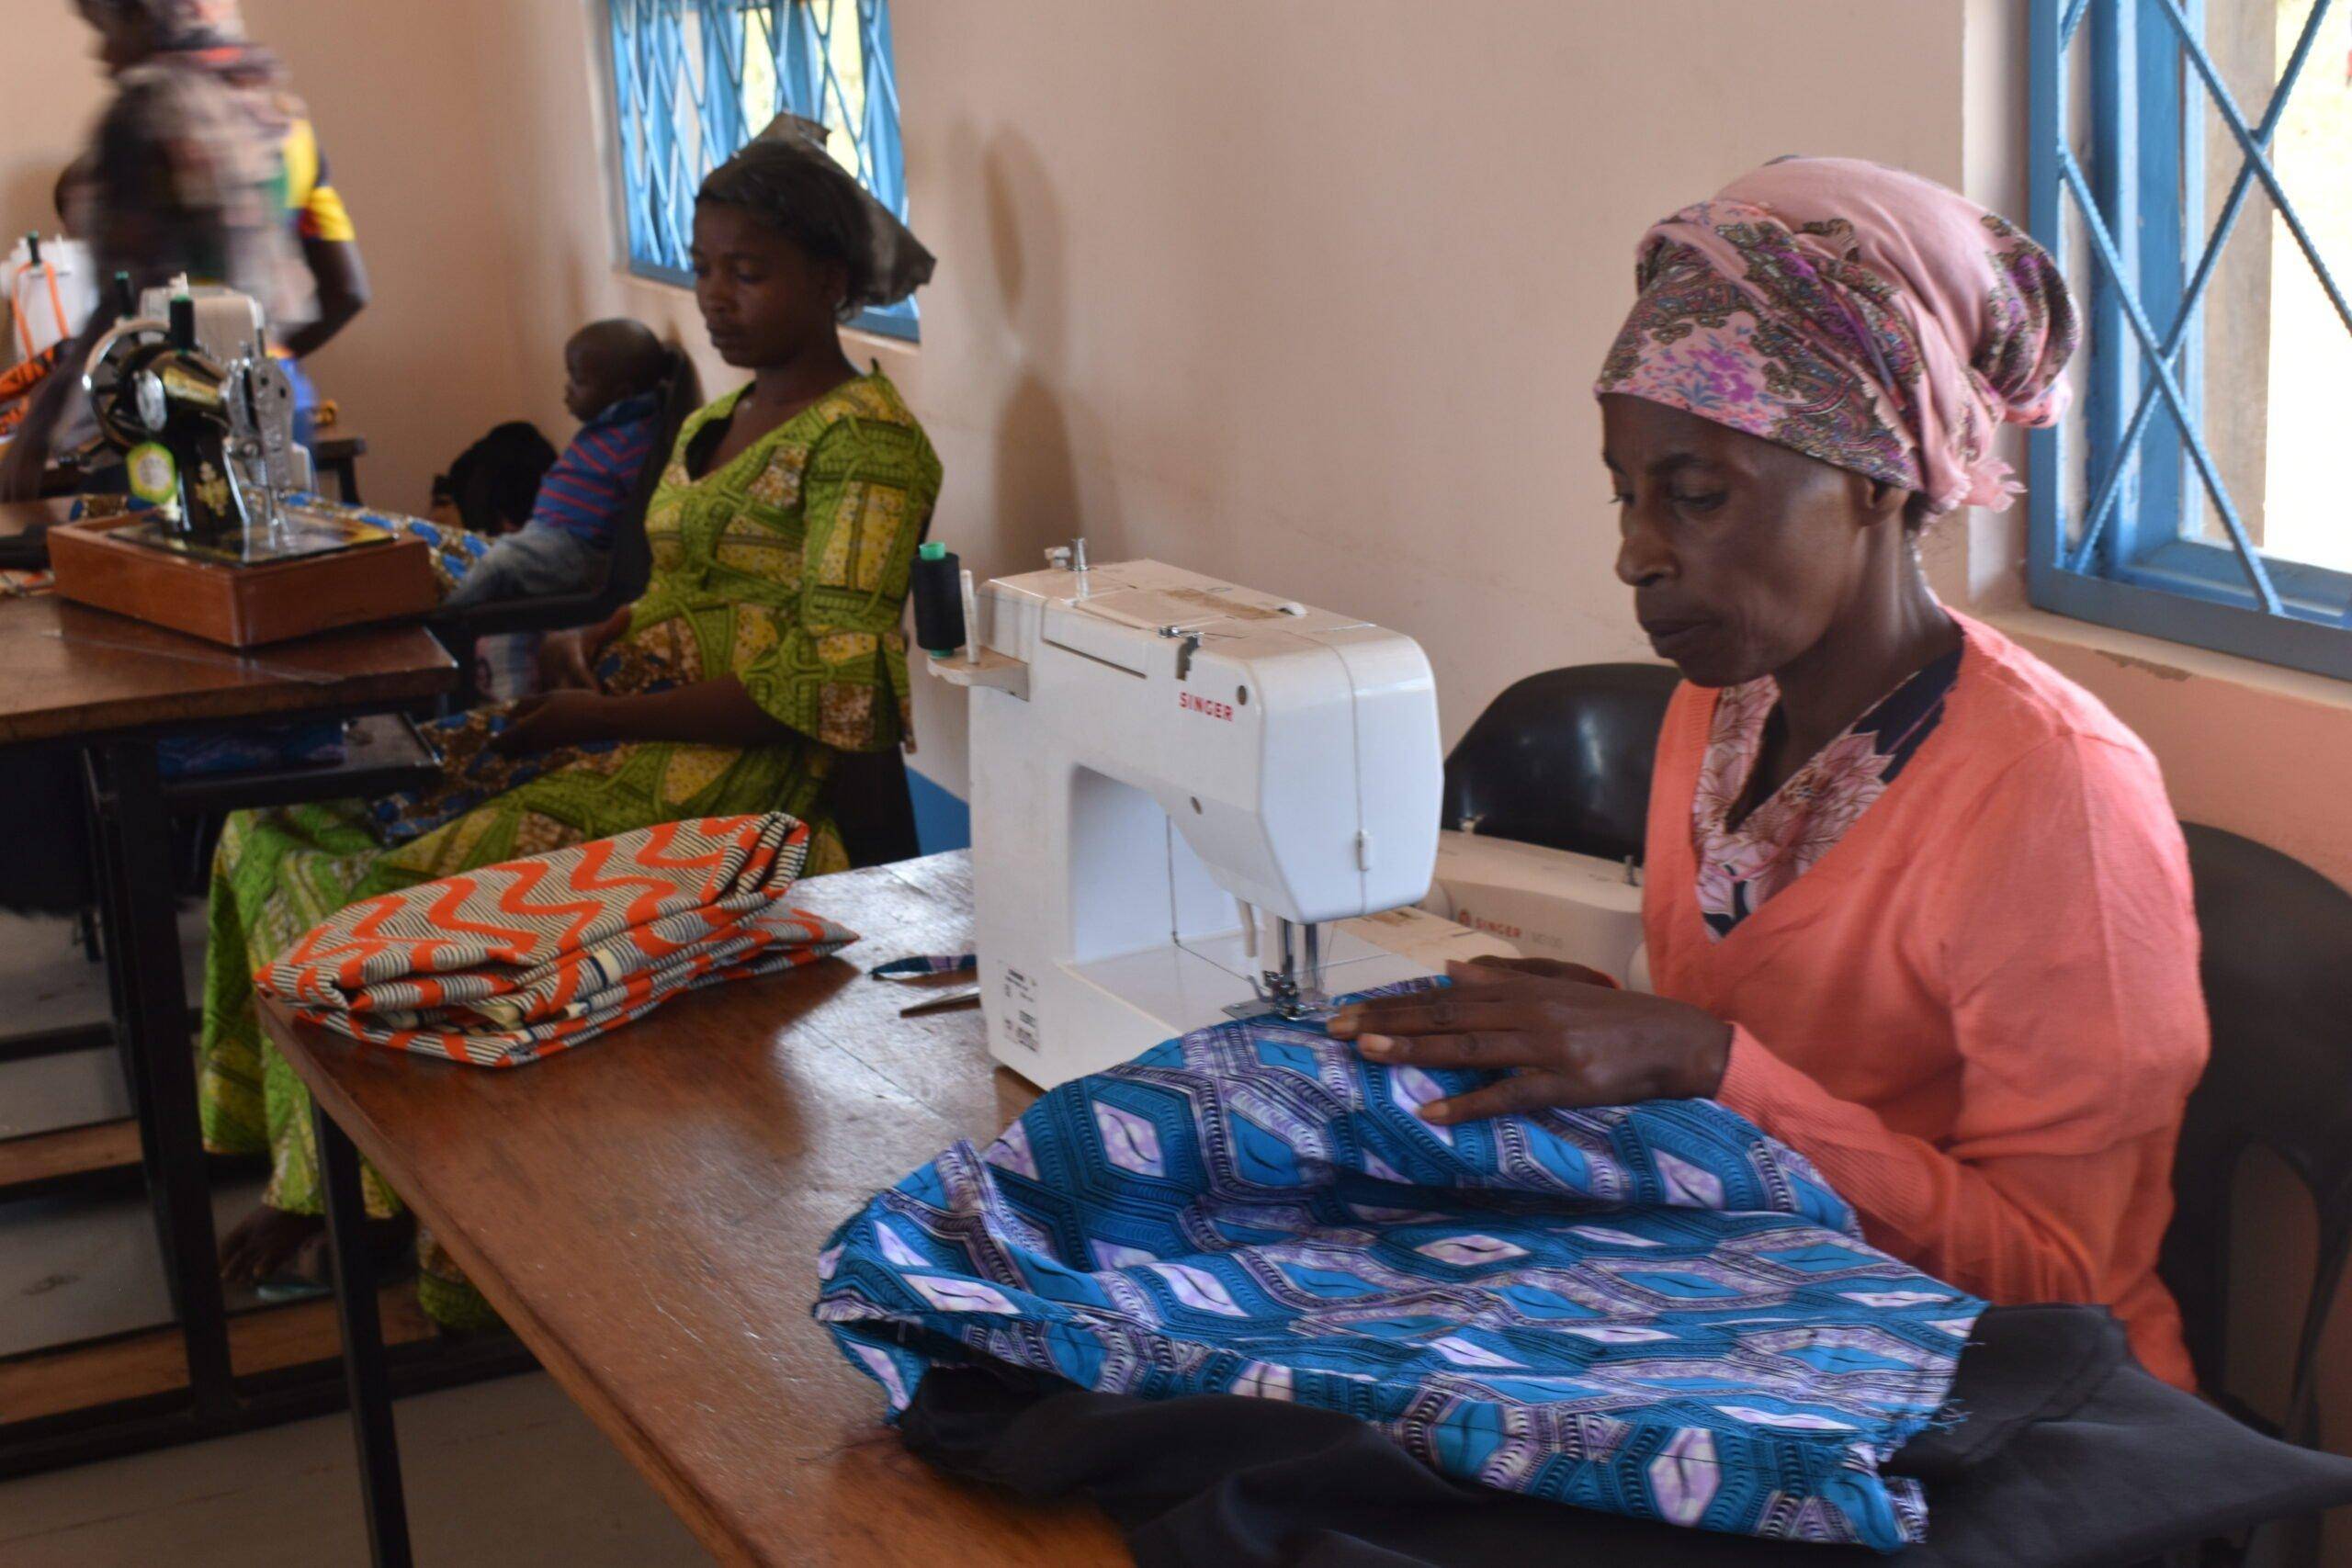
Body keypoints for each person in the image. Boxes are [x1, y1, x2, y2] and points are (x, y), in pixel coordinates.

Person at [1329, 157, 2209, 1391]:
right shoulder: (1722, 707)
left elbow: (2061, 1271)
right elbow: (1779, 1046)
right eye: (1626, 496)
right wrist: (1588, 1018)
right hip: (1764, 1313)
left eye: (1695, 495)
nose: (1637, 553)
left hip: (2015, 1397)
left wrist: (1706, 1061)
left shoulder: (2055, 794)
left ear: (1874, 478)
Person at [198, 130, 942, 1320]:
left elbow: (832, 682)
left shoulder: (869, 448)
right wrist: (594, 639)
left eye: (748, 272)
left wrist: (583, 712)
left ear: (834, 284)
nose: (713, 297)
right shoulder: (725, 422)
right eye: (704, 267)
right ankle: (302, 1153)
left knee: (365, 896)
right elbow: (694, 582)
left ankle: (375, 1206)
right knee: (262, 832)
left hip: (723, 781)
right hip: (621, 725)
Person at [0, 0, 369, 498]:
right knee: (286, 567)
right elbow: (349, 291)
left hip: (169, 415)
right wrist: (260, 369)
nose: (101, 50)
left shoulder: (140, 118)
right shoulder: (282, 118)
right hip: (281, 401)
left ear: (144, 18)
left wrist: (37, 432)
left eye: (107, 27)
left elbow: (117, 311)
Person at [438, 320, 672, 609]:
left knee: (501, 564)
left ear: (620, 394)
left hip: (577, 550)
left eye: (579, 381)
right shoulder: (609, 427)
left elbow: (645, 504)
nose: (568, 389)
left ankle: (442, 621)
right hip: (547, 535)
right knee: (458, 552)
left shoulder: (633, 438)